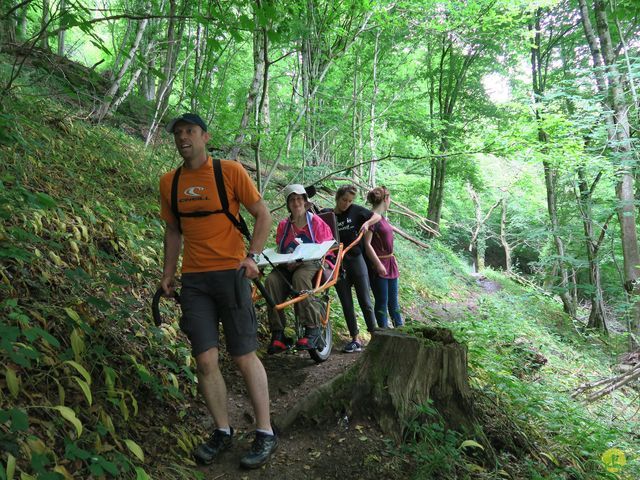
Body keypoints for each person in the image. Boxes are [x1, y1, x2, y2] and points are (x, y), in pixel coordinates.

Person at [158, 113, 277, 469]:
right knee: (205, 360)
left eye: (190, 131)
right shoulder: (169, 182)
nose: (183, 138)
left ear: (205, 136)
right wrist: (167, 273)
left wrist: (253, 256)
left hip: (232, 275)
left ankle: (265, 432)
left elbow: (263, 214)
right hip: (194, 281)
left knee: (243, 357)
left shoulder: (229, 171)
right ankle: (222, 431)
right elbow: (173, 231)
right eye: (178, 133)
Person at [265, 184, 335, 353]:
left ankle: (312, 328)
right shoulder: (284, 225)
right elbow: (280, 248)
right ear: (288, 204)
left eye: (299, 199)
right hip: (287, 264)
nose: (296, 202)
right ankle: (278, 334)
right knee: (271, 281)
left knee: (300, 278)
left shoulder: (316, 222)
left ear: (305, 201)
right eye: (292, 200)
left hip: (311, 263)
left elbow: (328, 246)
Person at [332, 184, 381, 353]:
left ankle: (374, 334)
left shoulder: (356, 211)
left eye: (350, 200)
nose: (346, 203)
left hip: (356, 259)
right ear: (338, 198)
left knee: (365, 300)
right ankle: (354, 339)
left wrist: (367, 223)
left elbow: (377, 217)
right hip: (337, 263)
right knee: (346, 302)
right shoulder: (328, 216)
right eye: (344, 200)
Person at [364, 186, 404, 328]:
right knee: (382, 300)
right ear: (386, 199)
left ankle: (399, 331)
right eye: (390, 198)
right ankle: (383, 333)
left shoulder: (382, 218)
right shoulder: (372, 218)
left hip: (390, 263)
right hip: (379, 265)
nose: (390, 201)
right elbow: (367, 244)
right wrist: (378, 264)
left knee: (393, 302)